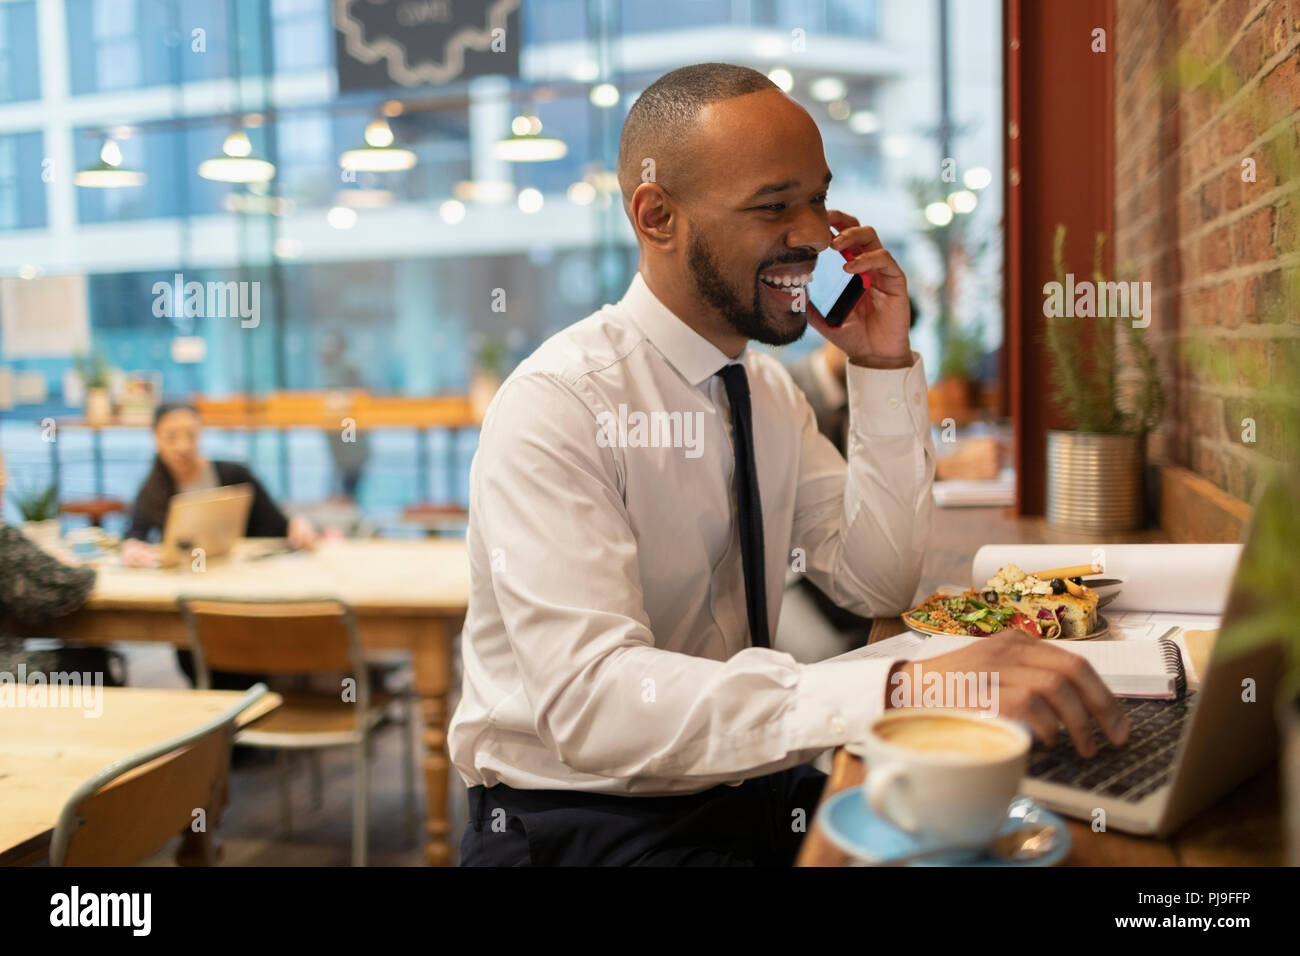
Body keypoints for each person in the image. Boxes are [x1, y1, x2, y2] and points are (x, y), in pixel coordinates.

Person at [450, 63, 1130, 867]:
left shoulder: (767, 392)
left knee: (1027, 832)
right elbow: (595, 705)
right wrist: (911, 685)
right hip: (582, 820)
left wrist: (881, 366)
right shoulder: (559, 404)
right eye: (775, 205)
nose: (814, 234)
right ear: (657, 215)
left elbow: (873, 582)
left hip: (750, 783)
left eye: (818, 197)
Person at [121, 402, 316, 687]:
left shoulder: (233, 474)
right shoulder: (152, 489)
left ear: (201, 433)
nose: (183, 446)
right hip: (193, 602)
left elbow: (279, 523)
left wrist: (298, 523)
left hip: (242, 592)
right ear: (155, 437)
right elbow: (133, 534)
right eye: (171, 437)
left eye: (190, 435)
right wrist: (131, 547)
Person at [0, 451, 115, 682]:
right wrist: (83, 569)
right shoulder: (3, 539)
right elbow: (65, 587)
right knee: (91, 664)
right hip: (6, 672)